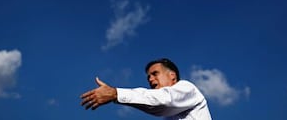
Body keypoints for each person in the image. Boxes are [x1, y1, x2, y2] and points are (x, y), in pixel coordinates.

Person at [80, 58, 212, 120]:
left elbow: (163, 101)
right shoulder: (169, 115)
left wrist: (115, 93)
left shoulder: (187, 88)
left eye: (155, 74)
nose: (150, 79)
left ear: (172, 75)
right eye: (148, 77)